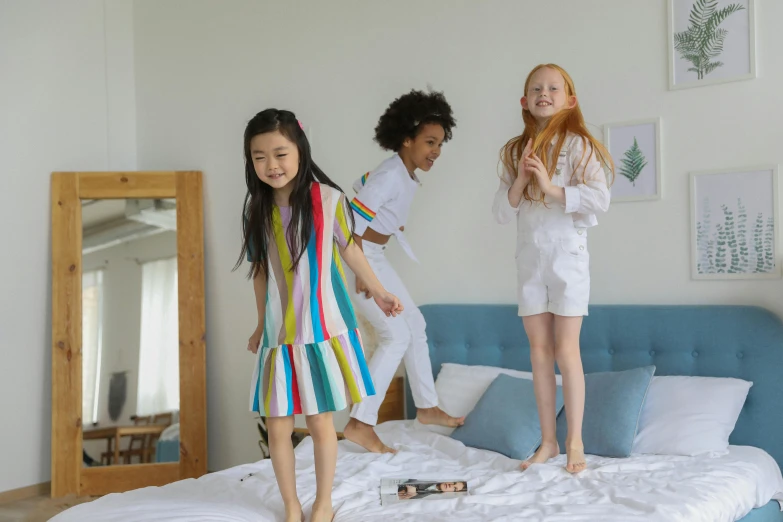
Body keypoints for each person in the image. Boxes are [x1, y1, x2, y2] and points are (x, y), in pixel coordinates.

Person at [237, 109, 404, 522]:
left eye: (279, 153)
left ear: (299, 150)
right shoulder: (257, 213)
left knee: (319, 421)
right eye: (259, 157)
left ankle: (323, 502)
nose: (271, 165)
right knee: (277, 425)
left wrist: (380, 292)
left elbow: (351, 252)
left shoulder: (327, 201)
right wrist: (260, 323)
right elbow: (260, 273)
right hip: (279, 336)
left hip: (320, 329)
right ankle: (292, 505)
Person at [492, 64, 614, 474]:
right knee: (539, 354)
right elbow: (500, 213)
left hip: (568, 259)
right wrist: (520, 182)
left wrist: (549, 188)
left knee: (565, 350)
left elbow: (600, 200)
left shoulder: (580, 146)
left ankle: (573, 440)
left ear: (570, 100)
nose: (545, 93)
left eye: (553, 88)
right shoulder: (516, 150)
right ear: (524, 101)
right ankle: (547, 443)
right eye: (536, 89)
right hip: (530, 261)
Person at [341, 89, 464, 454]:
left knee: (415, 326)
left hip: (374, 254)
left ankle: (425, 406)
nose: (436, 151)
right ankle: (361, 423)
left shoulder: (401, 173)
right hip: (358, 258)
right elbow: (347, 229)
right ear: (406, 139)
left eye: (440, 143)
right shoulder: (391, 175)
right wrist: (364, 273)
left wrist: (391, 226)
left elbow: (361, 191)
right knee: (395, 336)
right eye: (429, 141)